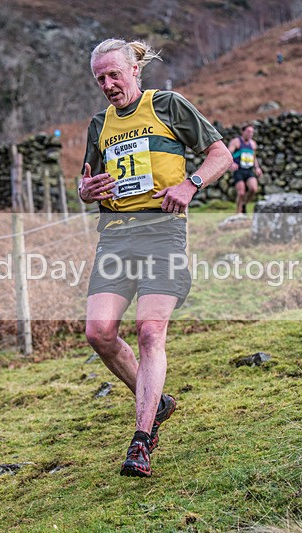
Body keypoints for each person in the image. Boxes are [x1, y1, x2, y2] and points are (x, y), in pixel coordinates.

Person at [77, 38, 231, 478]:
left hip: (162, 232)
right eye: (100, 79)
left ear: (134, 72)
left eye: (114, 75)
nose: (108, 84)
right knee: (99, 332)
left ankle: (142, 439)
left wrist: (191, 184)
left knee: (149, 330)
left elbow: (221, 154)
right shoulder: (98, 125)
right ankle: (156, 401)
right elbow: (88, 184)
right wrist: (85, 192)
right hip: (116, 238)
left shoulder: (167, 106)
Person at [228, 124, 263, 214]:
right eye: (248, 131)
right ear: (242, 131)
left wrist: (257, 168)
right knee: (241, 193)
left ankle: (244, 204)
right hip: (239, 170)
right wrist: (231, 163)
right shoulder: (236, 142)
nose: (250, 134)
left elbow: (253, 156)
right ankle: (238, 213)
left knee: (254, 189)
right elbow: (227, 154)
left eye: (252, 132)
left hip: (249, 170)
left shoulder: (253, 144)